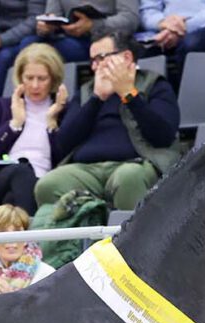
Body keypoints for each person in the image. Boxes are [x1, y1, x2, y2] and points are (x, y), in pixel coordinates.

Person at [34, 32, 182, 211]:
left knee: (128, 177)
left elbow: (163, 136)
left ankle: (131, 238)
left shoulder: (154, 85)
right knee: (48, 184)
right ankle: (76, 235)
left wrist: (129, 95)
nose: (95, 67)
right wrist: (97, 99)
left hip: (135, 164)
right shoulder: (87, 92)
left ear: (126, 57)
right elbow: (63, 144)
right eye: (92, 61)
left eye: (100, 58)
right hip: (87, 170)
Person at [0, 43, 69, 214]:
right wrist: (14, 124)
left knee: (12, 200)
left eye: (42, 78)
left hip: (43, 184)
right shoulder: (1, 106)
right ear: (20, 78)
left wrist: (52, 123)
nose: (35, 85)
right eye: (29, 78)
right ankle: (32, 239)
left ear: (53, 78)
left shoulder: (63, 111)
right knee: (22, 171)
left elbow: (64, 158)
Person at [21, 0, 140, 65]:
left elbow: (130, 19)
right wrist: (46, 27)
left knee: (62, 49)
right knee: (29, 45)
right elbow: (53, 15)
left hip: (108, 37)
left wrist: (93, 25)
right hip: (71, 37)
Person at [137, 0, 205, 68]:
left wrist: (185, 26)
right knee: (139, 47)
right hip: (165, 26)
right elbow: (148, 9)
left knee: (191, 45)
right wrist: (161, 23)